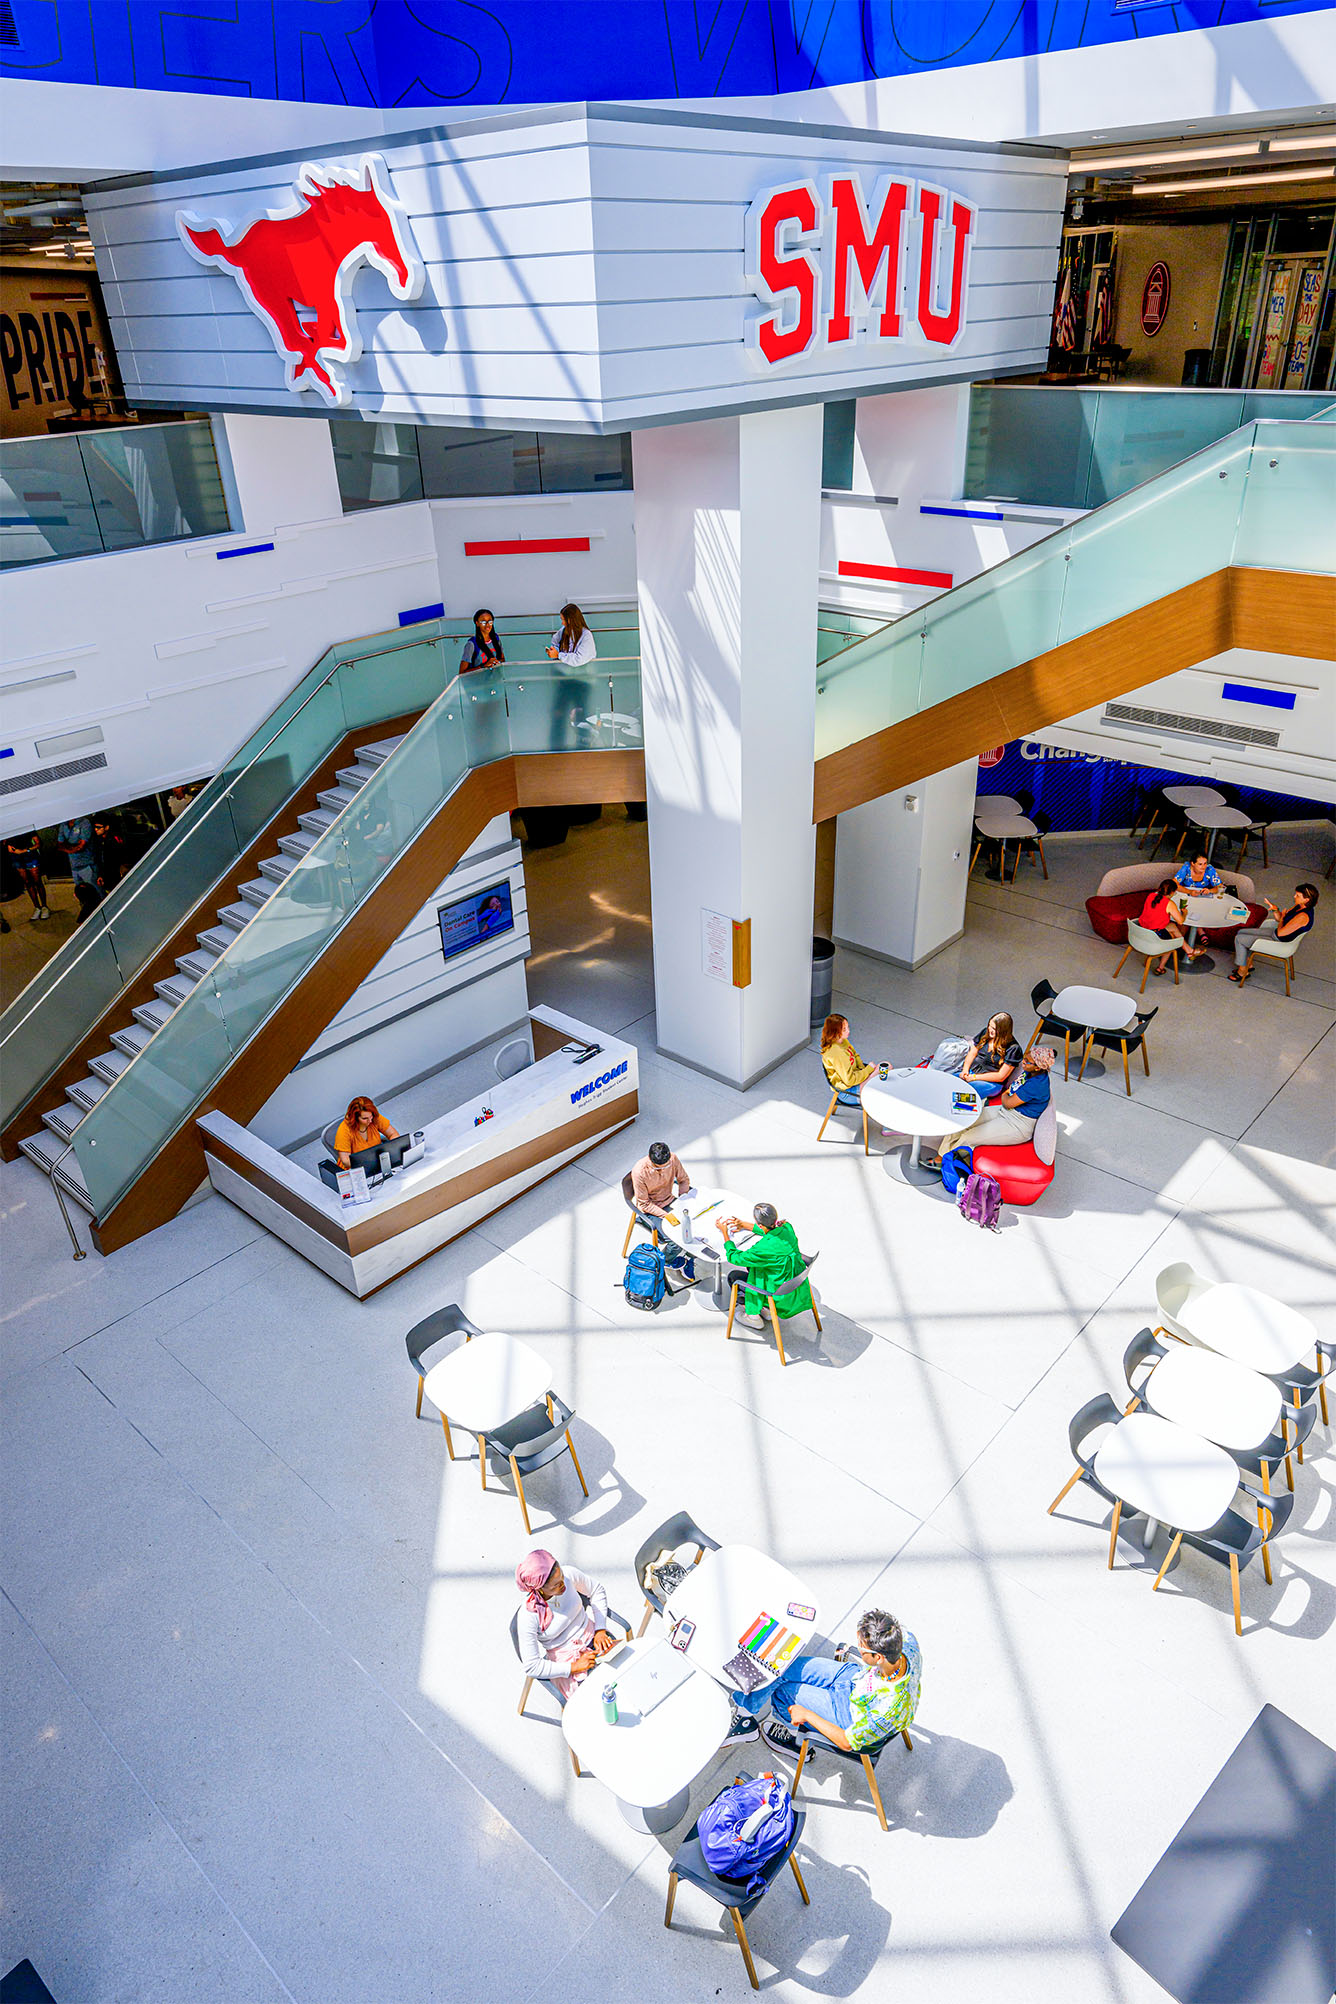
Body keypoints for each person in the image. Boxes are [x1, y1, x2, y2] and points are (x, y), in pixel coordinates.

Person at [731, 1607, 921, 1761]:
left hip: (850, 1714)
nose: (858, 1647)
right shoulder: (907, 1643)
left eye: (861, 1648)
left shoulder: (888, 1709)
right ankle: (745, 1714)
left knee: (782, 1693)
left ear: (878, 1657)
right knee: (782, 1666)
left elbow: (847, 1742)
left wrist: (806, 1714)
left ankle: (794, 1742)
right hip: (858, 1680)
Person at [929, 1044, 1055, 1166]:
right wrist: (1008, 1094)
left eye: (1027, 1061)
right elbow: (1010, 1094)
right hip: (1005, 1111)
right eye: (1025, 1058)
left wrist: (1007, 1095)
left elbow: (1008, 1102)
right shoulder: (1029, 1072)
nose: (1023, 1062)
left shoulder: (1037, 1085)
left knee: (969, 1137)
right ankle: (941, 1156)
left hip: (1018, 1124)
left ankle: (946, 1163)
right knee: (964, 1121)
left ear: (1038, 1067)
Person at [514, 1550, 617, 1700]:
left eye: (561, 1576)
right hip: (567, 1662)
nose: (563, 1584)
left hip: (594, 1637)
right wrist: (574, 1667)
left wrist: (600, 1629)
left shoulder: (569, 1574)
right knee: (596, 1699)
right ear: (539, 1588)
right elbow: (532, 1666)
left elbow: (596, 1590)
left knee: (623, 1678)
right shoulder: (528, 1615)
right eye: (555, 1585)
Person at [718, 1202, 813, 1329]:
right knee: (752, 1267)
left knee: (734, 1276)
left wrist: (725, 1234)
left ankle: (754, 1317)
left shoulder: (762, 1249)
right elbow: (772, 1231)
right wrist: (743, 1225)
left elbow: (734, 1258)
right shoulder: (787, 1229)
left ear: (760, 1224)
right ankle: (767, 1311)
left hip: (776, 1294)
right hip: (793, 1285)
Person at [1230, 882, 1318, 985]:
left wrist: (1282, 920)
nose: (1294, 896)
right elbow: (1281, 918)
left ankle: (1242, 972)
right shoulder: (1299, 906)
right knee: (1241, 932)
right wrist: (1276, 910)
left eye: (1297, 895)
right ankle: (1248, 965)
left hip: (1279, 941)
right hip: (1276, 933)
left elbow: (1281, 933)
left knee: (1239, 939)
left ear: (1306, 899)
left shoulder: (1303, 917)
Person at [546, 603, 596, 750]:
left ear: (571, 619)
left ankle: (583, 747)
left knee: (581, 715)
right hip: (565, 680)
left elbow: (578, 660)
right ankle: (556, 747)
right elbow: (554, 641)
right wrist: (553, 650)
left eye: (563, 619)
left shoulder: (586, 636)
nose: (561, 623)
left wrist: (559, 655)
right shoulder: (563, 631)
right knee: (558, 713)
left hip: (582, 682)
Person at [958, 1013, 1022, 1100]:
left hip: (990, 1082)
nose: (990, 1030)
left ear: (1003, 1031)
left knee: (962, 1095)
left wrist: (974, 1077)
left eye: (994, 1029)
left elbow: (1001, 1076)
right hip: (971, 1072)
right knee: (949, 1082)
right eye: (989, 1026)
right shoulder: (986, 1033)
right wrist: (965, 1070)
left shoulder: (1013, 1049)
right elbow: (973, 1052)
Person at [333, 1095, 399, 1168]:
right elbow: (346, 1161)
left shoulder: (374, 1117)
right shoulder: (344, 1130)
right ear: (355, 1118)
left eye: (371, 1116)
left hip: (377, 1164)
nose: (370, 1121)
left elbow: (393, 1134)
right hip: (355, 1169)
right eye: (365, 1118)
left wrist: (391, 1150)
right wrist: (371, 1162)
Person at [631, 1139, 690, 1219]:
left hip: (670, 1200)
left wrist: (683, 1200)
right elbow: (644, 1204)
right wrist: (669, 1217)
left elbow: (683, 1180)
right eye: (658, 1168)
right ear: (650, 1160)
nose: (662, 1170)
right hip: (651, 1209)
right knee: (676, 1227)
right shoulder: (640, 1172)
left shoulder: (672, 1159)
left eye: (666, 1166)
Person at [56, 816, 100, 922]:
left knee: (96, 893)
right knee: (82, 896)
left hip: (87, 864)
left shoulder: (84, 823)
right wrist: (72, 849)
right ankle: (88, 919)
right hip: (74, 867)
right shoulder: (64, 824)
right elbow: (60, 845)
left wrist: (68, 848)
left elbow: (82, 845)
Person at [5, 832, 49, 921]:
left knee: (37, 881)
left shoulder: (27, 829)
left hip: (30, 857)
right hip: (17, 859)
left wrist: (26, 850)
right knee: (28, 883)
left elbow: (38, 844)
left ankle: (44, 907)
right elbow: (8, 846)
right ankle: (37, 907)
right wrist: (12, 850)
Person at [459, 607, 505, 674]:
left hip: (496, 680)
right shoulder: (471, 644)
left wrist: (497, 662)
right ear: (477, 623)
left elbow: (502, 659)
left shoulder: (496, 639)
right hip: (478, 682)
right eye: (483, 622)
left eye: (490, 621)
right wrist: (483, 666)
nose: (487, 625)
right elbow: (462, 673)